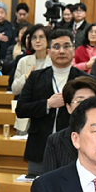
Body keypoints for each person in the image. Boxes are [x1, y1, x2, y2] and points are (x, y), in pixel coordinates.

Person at [16, 29, 89, 175]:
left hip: (74, 149)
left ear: (73, 50)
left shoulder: (85, 80)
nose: (61, 51)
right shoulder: (36, 77)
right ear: (49, 51)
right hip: (39, 147)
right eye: (56, 47)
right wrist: (47, 104)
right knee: (38, 191)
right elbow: (21, 109)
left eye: (66, 46)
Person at [43, 76, 96, 173]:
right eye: (80, 101)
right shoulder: (56, 140)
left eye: (91, 101)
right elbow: (50, 180)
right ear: (68, 107)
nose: (86, 106)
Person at [11, 24, 51, 96]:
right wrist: (26, 76)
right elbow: (15, 90)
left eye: (41, 37)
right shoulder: (23, 61)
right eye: (34, 38)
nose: (37, 41)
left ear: (48, 41)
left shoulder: (54, 61)